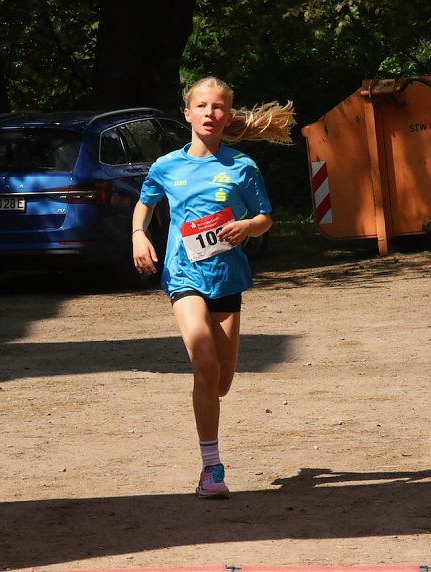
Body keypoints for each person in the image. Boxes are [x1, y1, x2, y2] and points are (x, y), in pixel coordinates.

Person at [131, 77, 295, 498]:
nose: (210, 112)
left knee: (219, 382)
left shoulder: (242, 167)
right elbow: (145, 204)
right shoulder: (167, 166)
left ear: (227, 115)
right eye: (202, 106)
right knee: (204, 364)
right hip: (182, 275)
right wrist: (138, 235)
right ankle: (211, 469)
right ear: (187, 113)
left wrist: (247, 226)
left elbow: (264, 217)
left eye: (218, 107)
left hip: (226, 278)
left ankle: (209, 410)